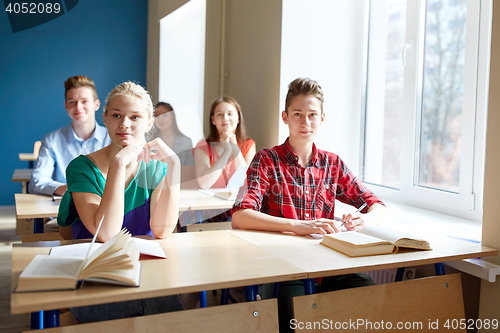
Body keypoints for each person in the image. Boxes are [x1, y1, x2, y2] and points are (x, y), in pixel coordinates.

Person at [231, 77, 386, 332]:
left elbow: (377, 205)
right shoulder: (266, 160)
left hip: (328, 264)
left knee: (370, 298)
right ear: (285, 116)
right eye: (298, 114)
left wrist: (365, 219)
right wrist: (299, 226)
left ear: (322, 118)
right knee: (298, 315)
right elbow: (241, 216)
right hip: (283, 268)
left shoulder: (332, 163)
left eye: (312, 114)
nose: (305, 122)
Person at [57, 81, 183, 322]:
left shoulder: (156, 168)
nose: (125, 124)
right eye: (117, 115)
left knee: (163, 305)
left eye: (135, 117)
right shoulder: (82, 167)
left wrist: (174, 165)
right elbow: (105, 232)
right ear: (104, 118)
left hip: (144, 271)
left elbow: (162, 230)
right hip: (94, 273)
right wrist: (118, 163)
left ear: (149, 123)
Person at [29, 76, 111, 196]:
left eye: (84, 101)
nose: (78, 107)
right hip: (63, 208)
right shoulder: (52, 141)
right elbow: (36, 181)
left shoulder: (111, 139)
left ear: (96, 104)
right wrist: (61, 188)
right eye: (72, 102)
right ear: (66, 105)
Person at [192, 96, 256, 221]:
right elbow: (204, 183)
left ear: (238, 118)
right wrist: (226, 151)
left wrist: (234, 147)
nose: (225, 118)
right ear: (213, 120)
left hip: (238, 207)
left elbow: (248, 181)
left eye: (230, 114)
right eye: (219, 114)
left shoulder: (249, 144)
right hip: (208, 210)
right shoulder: (203, 146)